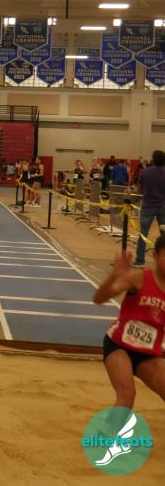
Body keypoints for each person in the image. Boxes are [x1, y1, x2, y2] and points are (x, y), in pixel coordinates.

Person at [93, 245, 165, 413]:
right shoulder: (139, 279)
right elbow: (99, 299)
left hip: (148, 354)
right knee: (127, 395)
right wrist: (113, 276)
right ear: (155, 256)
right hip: (119, 346)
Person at [135, 151, 165, 267]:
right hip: (163, 206)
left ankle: (140, 260)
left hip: (147, 206)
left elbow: (139, 190)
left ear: (153, 160)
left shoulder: (146, 171)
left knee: (143, 234)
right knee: (164, 236)